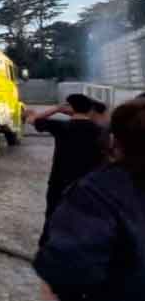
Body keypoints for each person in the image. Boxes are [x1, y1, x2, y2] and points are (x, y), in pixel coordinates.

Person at [34, 98, 145, 301]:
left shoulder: (98, 193)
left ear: (116, 140)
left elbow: (66, 268)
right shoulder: (97, 130)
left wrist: (57, 109)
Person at [30, 94, 108, 247]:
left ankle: (47, 248)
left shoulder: (60, 126)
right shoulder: (100, 131)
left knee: (53, 215)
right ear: (90, 110)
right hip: (88, 185)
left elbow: (32, 119)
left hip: (59, 182)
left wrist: (56, 109)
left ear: (70, 108)